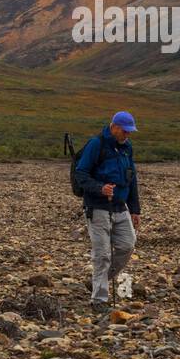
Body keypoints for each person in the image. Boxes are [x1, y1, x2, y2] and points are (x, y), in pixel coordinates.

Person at [75, 111, 141, 313]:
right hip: (97, 207)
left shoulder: (127, 148)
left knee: (127, 246)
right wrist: (99, 188)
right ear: (114, 127)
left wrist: (135, 209)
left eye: (129, 132)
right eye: (124, 131)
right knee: (102, 254)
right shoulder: (96, 144)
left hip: (121, 206)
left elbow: (132, 179)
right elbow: (81, 173)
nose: (127, 135)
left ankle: (99, 280)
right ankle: (99, 300)